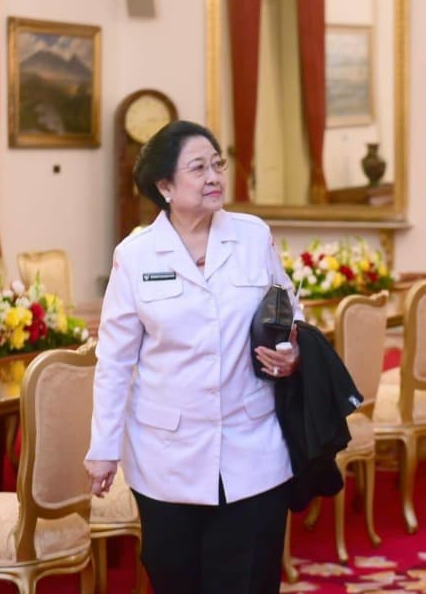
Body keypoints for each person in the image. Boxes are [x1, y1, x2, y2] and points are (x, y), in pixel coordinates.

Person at [84, 120, 302, 594]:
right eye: (198, 168)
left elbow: (288, 311)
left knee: (248, 580)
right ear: (165, 186)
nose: (214, 177)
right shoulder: (136, 255)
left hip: (253, 448)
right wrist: (103, 449)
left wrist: (290, 351)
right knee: (175, 575)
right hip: (167, 457)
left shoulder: (251, 236)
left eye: (217, 164)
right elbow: (115, 361)